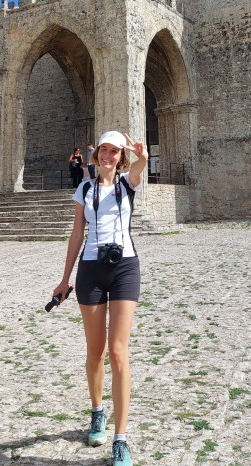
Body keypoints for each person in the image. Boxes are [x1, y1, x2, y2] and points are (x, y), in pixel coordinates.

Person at [53, 131, 147, 466]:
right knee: (96, 352)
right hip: (90, 269)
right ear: (96, 155)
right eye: (103, 150)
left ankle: (120, 439)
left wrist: (142, 156)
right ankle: (97, 412)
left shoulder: (127, 183)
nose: (108, 155)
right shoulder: (84, 189)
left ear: (121, 156)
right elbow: (77, 233)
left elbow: (140, 170)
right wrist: (64, 279)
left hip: (125, 268)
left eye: (114, 151)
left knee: (119, 352)